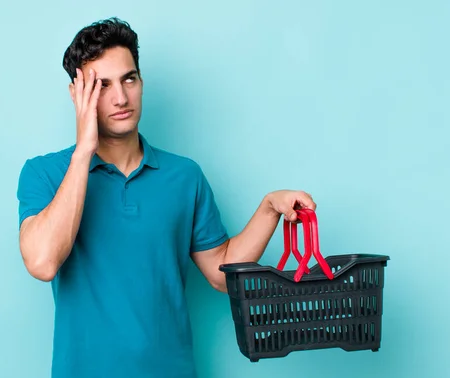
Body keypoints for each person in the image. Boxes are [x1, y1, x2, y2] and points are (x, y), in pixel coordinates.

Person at [16, 17, 316, 378]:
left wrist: (269, 207)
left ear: (141, 82)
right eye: (101, 86)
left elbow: (222, 274)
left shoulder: (184, 176)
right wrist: (84, 152)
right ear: (77, 95)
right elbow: (42, 262)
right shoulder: (44, 173)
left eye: (129, 79)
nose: (120, 98)